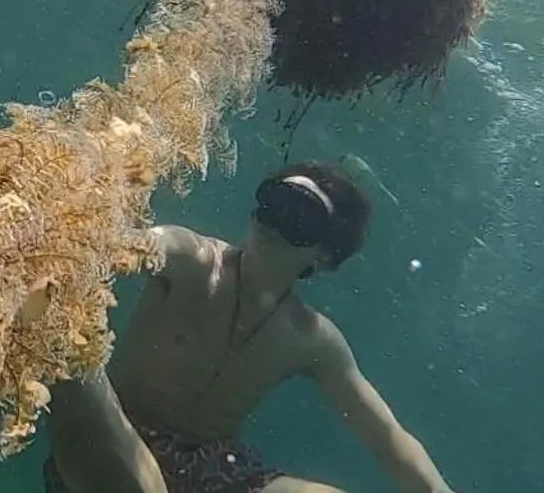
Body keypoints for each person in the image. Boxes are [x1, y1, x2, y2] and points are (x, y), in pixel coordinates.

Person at [44, 161, 455, 493]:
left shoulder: (309, 337)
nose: (275, 223)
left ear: (323, 257)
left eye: (300, 217)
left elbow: (387, 437)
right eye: (273, 203)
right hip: (105, 443)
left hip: (215, 471)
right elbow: (136, 245)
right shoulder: (193, 260)